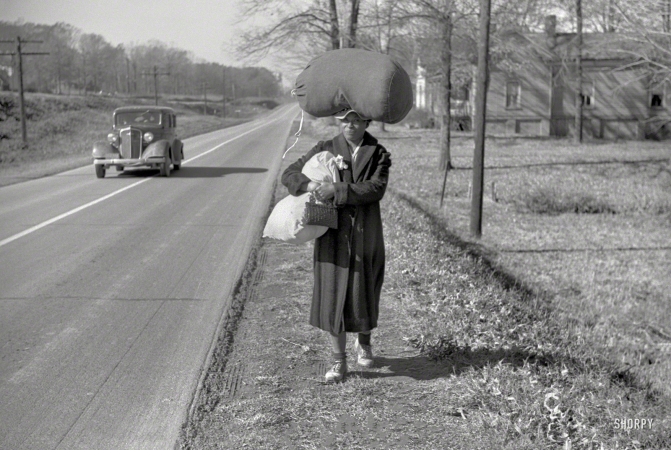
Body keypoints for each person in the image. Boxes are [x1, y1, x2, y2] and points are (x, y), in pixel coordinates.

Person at [281, 108, 392, 383]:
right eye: (346, 121)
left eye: (357, 121)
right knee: (332, 294)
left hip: (366, 232)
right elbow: (290, 173)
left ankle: (364, 341)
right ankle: (338, 360)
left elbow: (375, 188)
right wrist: (310, 185)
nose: (350, 126)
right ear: (339, 122)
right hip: (332, 234)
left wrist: (339, 190)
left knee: (365, 288)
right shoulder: (326, 148)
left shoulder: (379, 154)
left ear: (367, 122)